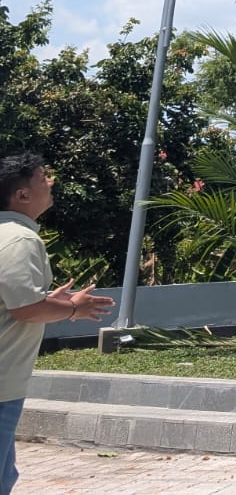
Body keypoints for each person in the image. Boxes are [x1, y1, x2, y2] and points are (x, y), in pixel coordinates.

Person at [0, 153, 114, 495]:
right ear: (22, 195)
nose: (50, 182)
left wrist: (53, 300)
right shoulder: (20, 239)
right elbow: (27, 310)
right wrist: (72, 309)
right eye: (41, 177)